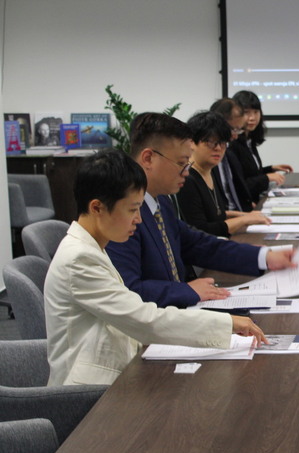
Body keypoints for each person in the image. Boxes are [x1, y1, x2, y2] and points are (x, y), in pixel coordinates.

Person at [45, 149, 267, 386]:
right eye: (132, 209)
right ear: (97, 208)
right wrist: (227, 324)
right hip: (88, 389)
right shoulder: (79, 259)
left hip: (118, 365)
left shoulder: (92, 246)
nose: (138, 219)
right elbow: (142, 318)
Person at [106, 113, 295, 309]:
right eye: (181, 163)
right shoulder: (119, 212)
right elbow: (127, 291)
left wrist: (264, 257)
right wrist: (188, 290)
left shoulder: (160, 200)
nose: (186, 172)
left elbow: (200, 245)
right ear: (148, 158)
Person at [177, 111, 269, 237]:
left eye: (222, 143)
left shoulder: (210, 170)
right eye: (211, 142)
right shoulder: (186, 179)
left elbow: (216, 214)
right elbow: (200, 229)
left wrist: (245, 215)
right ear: (192, 142)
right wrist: (243, 220)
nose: (218, 148)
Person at [228, 90, 294, 199]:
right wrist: (267, 177)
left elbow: (251, 173)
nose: (252, 117)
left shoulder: (249, 141)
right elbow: (240, 184)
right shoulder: (233, 144)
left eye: (256, 112)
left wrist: (271, 168)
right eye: (247, 112)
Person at [209, 98, 255, 212]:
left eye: (239, 130)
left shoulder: (229, 154)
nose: (235, 136)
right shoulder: (206, 159)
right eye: (234, 129)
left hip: (239, 216)